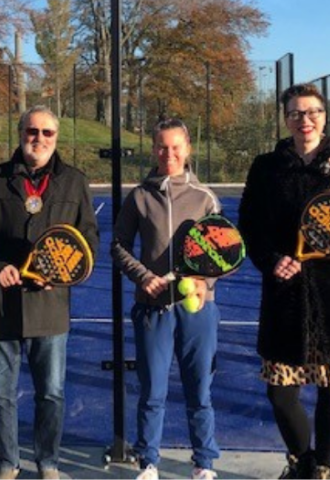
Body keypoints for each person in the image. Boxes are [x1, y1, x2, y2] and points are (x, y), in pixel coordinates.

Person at [238, 83, 330, 480]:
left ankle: (323, 469)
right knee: (280, 394)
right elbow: (249, 226)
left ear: (324, 115)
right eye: (297, 113)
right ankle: (301, 461)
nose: (305, 120)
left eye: (313, 111)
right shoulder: (265, 167)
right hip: (285, 295)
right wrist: (271, 260)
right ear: (285, 119)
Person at [0, 105, 99, 480]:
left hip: (50, 305)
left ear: (56, 138)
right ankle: (7, 463)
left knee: (51, 393)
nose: (39, 139)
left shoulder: (75, 181)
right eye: (32, 131)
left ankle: (48, 463)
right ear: (20, 133)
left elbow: (87, 240)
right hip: (2, 303)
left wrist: (58, 275)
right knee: (0, 393)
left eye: (47, 133)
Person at [111, 118, 222, 480]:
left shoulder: (205, 198)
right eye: (161, 146)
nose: (168, 154)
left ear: (188, 149)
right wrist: (143, 277)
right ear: (153, 149)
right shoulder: (140, 196)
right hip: (153, 309)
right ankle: (149, 463)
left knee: (199, 391)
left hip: (198, 311)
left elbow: (226, 253)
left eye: (175, 147)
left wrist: (203, 281)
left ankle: (203, 463)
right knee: (152, 391)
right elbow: (118, 246)